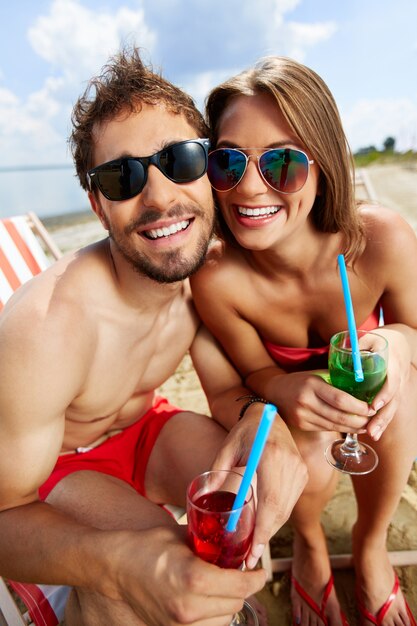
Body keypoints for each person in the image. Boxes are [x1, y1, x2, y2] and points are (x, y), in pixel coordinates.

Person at [0, 48, 309, 626]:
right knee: (166, 568)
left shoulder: (203, 278)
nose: (160, 196)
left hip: (147, 430)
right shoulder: (45, 330)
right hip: (61, 470)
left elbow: (223, 389)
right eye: (123, 177)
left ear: (211, 169)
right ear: (98, 205)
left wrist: (257, 424)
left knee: (267, 490)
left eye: (181, 159)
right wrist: (117, 565)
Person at [190, 56, 417, 626]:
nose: (247, 186)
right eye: (227, 162)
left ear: (324, 165)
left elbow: (416, 333)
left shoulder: (381, 238)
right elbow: (254, 374)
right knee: (307, 454)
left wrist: (393, 341)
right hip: (297, 418)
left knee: (402, 396)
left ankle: (370, 546)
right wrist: (284, 385)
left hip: (375, 404)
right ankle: (311, 543)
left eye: (282, 163)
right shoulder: (217, 278)